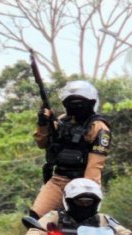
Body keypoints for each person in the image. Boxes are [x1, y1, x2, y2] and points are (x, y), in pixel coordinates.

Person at [29, 80, 112, 219]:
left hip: (84, 182)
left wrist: (87, 193)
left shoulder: (98, 127)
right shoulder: (63, 121)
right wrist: (42, 123)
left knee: (82, 219)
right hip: (58, 180)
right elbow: (42, 143)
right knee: (35, 219)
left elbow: (95, 165)